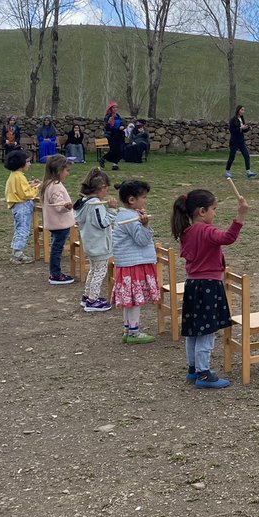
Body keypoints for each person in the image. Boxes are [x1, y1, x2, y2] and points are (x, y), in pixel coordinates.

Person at [172, 188, 250, 389]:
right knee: (207, 332)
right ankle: (204, 374)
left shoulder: (187, 231)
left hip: (192, 285)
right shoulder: (205, 230)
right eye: (214, 209)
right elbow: (228, 238)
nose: (215, 213)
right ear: (201, 211)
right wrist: (240, 215)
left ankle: (193, 369)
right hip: (208, 286)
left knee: (194, 331)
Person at [111, 179, 158, 344]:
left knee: (129, 299)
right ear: (132, 200)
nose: (146, 200)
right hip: (134, 264)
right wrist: (145, 226)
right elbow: (141, 240)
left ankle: (127, 329)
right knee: (135, 300)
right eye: (143, 197)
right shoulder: (129, 217)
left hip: (128, 263)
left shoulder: (125, 214)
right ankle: (134, 332)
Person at [74, 168, 119, 311]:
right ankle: (92, 301)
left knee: (93, 270)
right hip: (99, 244)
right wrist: (112, 210)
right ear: (103, 188)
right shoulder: (96, 205)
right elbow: (102, 223)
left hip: (90, 243)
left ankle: (87, 296)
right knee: (100, 272)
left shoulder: (83, 202)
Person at [39, 154, 76, 286]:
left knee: (56, 247)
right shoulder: (55, 186)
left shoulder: (48, 184)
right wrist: (67, 206)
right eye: (67, 170)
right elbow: (59, 205)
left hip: (55, 223)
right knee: (57, 248)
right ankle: (55, 274)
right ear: (59, 170)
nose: (68, 173)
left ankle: (54, 273)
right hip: (60, 224)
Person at [4, 150, 40, 264]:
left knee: (19, 229)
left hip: (16, 206)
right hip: (22, 206)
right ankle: (18, 254)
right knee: (23, 230)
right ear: (21, 163)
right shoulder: (19, 177)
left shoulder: (14, 175)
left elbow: (20, 188)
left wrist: (30, 184)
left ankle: (16, 252)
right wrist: (36, 188)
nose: (30, 164)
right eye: (28, 161)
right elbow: (26, 194)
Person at [225, 105, 257, 179]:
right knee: (232, 156)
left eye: (244, 110)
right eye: (242, 110)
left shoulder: (242, 119)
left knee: (246, 155)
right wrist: (240, 128)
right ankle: (227, 171)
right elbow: (232, 131)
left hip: (241, 141)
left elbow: (243, 131)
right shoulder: (233, 120)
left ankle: (248, 171)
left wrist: (247, 128)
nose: (243, 111)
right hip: (234, 141)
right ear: (238, 110)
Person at [103, 102, 124, 171]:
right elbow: (106, 127)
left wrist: (122, 126)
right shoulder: (108, 116)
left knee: (120, 150)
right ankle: (103, 158)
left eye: (116, 107)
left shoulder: (117, 115)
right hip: (112, 135)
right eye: (114, 108)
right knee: (114, 150)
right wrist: (109, 123)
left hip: (119, 134)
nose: (115, 109)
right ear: (111, 109)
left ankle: (115, 165)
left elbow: (121, 123)